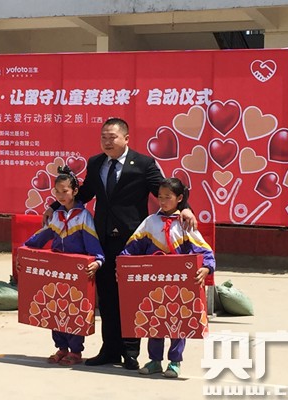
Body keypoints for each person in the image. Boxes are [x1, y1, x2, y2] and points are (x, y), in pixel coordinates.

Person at [45, 118, 197, 370]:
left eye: (112, 137)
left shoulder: (143, 164)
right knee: (107, 298)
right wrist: (53, 206)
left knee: (131, 297)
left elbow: (164, 189)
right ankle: (110, 350)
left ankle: (131, 352)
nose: (107, 142)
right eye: (103, 137)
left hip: (132, 240)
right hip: (103, 239)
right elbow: (84, 193)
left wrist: (186, 208)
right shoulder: (96, 163)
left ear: (126, 138)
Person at [120, 177, 215, 378]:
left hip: (179, 282)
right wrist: (123, 266)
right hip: (154, 280)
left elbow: (204, 250)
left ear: (179, 198)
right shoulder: (150, 222)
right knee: (154, 320)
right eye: (160, 197)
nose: (162, 201)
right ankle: (154, 360)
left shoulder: (185, 223)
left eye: (168, 197)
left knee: (177, 321)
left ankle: (174, 362)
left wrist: (207, 268)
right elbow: (132, 247)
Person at [23, 166, 105, 366]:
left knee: (74, 309)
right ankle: (61, 347)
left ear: (75, 191)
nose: (60, 195)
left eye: (65, 191)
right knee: (55, 307)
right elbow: (40, 237)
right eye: (57, 191)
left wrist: (98, 261)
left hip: (77, 272)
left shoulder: (84, 216)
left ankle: (75, 351)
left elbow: (93, 243)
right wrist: (24, 251)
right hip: (57, 270)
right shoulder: (55, 216)